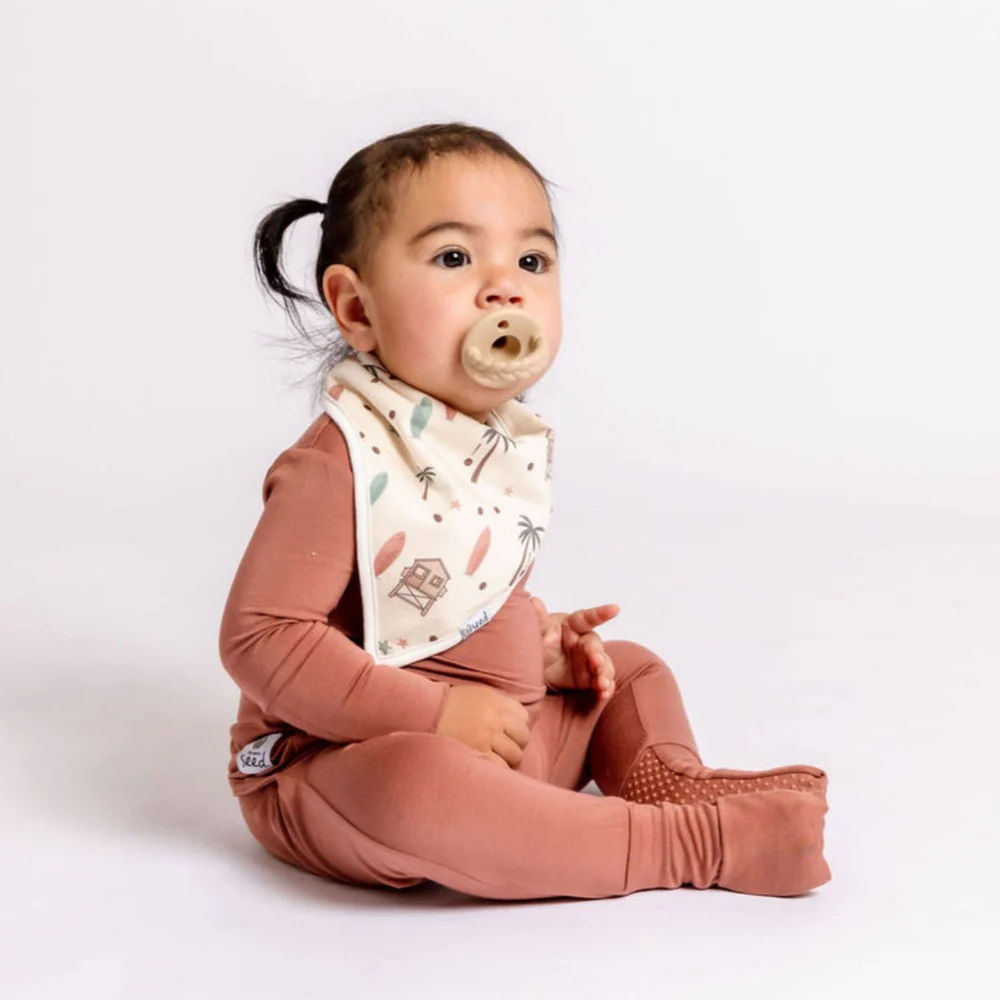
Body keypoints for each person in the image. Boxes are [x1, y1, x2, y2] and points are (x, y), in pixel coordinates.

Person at [218, 121, 831, 901]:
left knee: (630, 671)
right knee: (418, 788)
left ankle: (668, 782)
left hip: (499, 736)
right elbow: (262, 640)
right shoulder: (340, 460)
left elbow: (441, 587)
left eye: (532, 262)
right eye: (454, 258)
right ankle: (687, 844)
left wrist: (535, 646)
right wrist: (436, 714)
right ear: (357, 308)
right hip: (338, 762)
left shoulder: (482, 441)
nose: (504, 288)